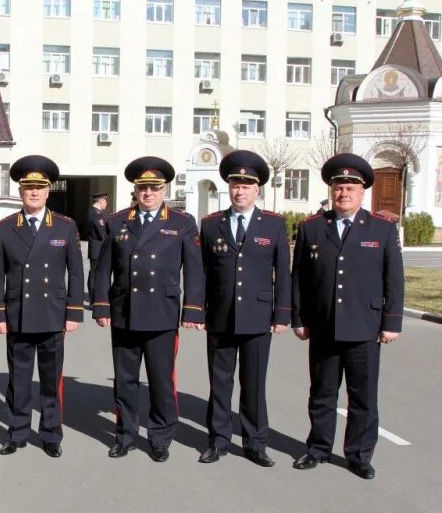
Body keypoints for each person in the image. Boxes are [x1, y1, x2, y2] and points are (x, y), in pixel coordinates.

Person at [291, 153, 404, 480]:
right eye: (339, 188)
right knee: (322, 393)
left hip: (365, 328)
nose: (344, 194)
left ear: (362, 192)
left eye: (350, 188)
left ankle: (359, 455)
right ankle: (318, 449)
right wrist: (299, 318)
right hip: (324, 326)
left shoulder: (381, 229)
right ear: (331, 190)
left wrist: (391, 322)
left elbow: (393, 279)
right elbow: (299, 277)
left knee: (363, 397)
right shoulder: (313, 228)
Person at [93, 156, 205, 462]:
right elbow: (103, 269)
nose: (148, 193)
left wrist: (193, 309)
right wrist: (101, 306)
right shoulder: (117, 221)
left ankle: (160, 437)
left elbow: (195, 269)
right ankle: (126, 435)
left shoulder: (182, 223)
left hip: (162, 313)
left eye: (155, 187)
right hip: (125, 312)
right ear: (135, 189)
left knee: (160, 380)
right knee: (125, 380)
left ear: (165, 188)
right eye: (143, 187)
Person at [198, 150, 290, 467]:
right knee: (220, 383)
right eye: (235, 185)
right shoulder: (211, 224)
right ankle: (218, 440)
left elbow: (284, 273)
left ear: (257, 190)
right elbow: (202, 272)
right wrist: (198, 310)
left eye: (246, 186)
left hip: (258, 317)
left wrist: (282, 314)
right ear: (229, 188)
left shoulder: (274, 224)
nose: (240, 191)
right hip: (221, 316)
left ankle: (255, 443)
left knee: (253, 383)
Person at [0, 155, 84, 458]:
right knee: (18, 380)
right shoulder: (5, 228)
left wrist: (73, 312)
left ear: (47, 191)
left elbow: (76, 272)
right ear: (20, 191)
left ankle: (51, 434)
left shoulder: (65, 227)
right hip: (17, 315)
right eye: (28, 188)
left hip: (53, 316)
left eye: (39, 188)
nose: (33, 193)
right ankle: (16, 433)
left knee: (50, 380)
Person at [85, 192, 109, 302]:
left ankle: (93, 297)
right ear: (101, 201)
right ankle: (94, 299)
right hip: (98, 248)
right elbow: (102, 234)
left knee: (94, 273)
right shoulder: (96, 215)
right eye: (106, 201)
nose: (106, 204)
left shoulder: (92, 212)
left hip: (95, 248)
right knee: (95, 274)